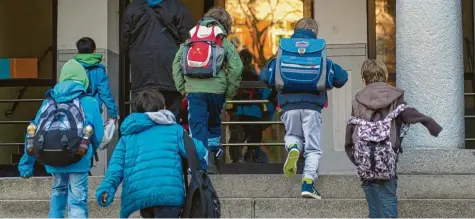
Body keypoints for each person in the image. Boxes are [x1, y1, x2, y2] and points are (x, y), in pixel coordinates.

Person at [344, 59, 442, 218]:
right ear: (385, 76)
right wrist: (429, 123)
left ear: (364, 78)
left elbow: (350, 133)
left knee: (370, 189)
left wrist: (354, 156)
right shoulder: (395, 97)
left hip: (365, 156)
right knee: (387, 193)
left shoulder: (357, 102)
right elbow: (408, 114)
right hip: (386, 155)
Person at [95, 89, 207, 218]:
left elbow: (116, 168)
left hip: (140, 194)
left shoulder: (128, 136)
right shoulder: (175, 130)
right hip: (169, 193)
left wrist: (107, 189)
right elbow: (198, 151)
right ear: (163, 107)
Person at [272, 18, 349, 199]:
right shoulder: (319, 53)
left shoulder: (283, 52)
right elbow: (342, 78)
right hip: (312, 108)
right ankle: (307, 183)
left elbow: (265, 76)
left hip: (288, 107)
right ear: (315, 33)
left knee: (293, 135)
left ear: (295, 30)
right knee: (313, 149)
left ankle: (293, 147)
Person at [18, 59, 104, 218]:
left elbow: (32, 132)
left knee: (58, 191)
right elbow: (98, 135)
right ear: (84, 80)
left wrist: (26, 165)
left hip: (52, 156)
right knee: (77, 200)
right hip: (79, 157)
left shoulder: (48, 101)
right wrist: (88, 151)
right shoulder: (89, 102)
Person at [172, 7, 243, 173]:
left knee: (198, 126)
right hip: (217, 92)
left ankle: (199, 165)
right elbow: (237, 68)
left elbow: (176, 64)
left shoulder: (191, 39)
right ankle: (212, 155)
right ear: (225, 24)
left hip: (194, 92)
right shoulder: (222, 41)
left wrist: (183, 88)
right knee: (213, 124)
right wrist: (229, 90)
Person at [121, 0, 194, 119]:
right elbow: (189, 42)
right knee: (170, 116)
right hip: (170, 70)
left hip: (141, 71)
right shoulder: (178, 7)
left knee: (141, 116)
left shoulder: (133, 8)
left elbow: (125, 42)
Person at [75, 37, 119, 121]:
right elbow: (105, 93)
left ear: (78, 51)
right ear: (94, 51)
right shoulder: (98, 69)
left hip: (74, 109)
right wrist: (113, 114)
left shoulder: (73, 66)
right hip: (92, 110)